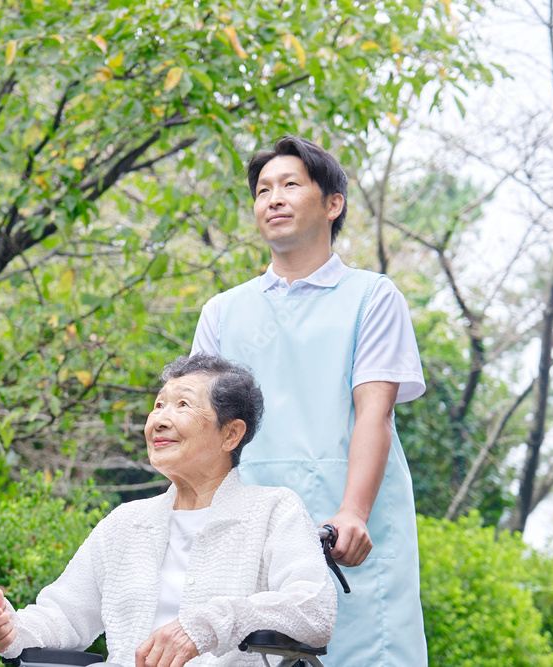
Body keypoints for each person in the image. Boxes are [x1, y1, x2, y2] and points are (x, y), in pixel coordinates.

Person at [191, 136, 428, 666]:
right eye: (262, 190)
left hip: (347, 531)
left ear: (332, 204)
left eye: (290, 185)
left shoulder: (372, 297)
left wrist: (353, 512)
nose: (272, 198)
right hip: (249, 531)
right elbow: (200, 430)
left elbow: (375, 411)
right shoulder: (224, 313)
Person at [0, 353, 337, 667]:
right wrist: (11, 631)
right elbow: (64, 616)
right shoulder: (125, 524)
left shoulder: (273, 510)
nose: (159, 419)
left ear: (230, 435)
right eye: (159, 404)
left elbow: (313, 610)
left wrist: (206, 624)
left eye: (183, 405)